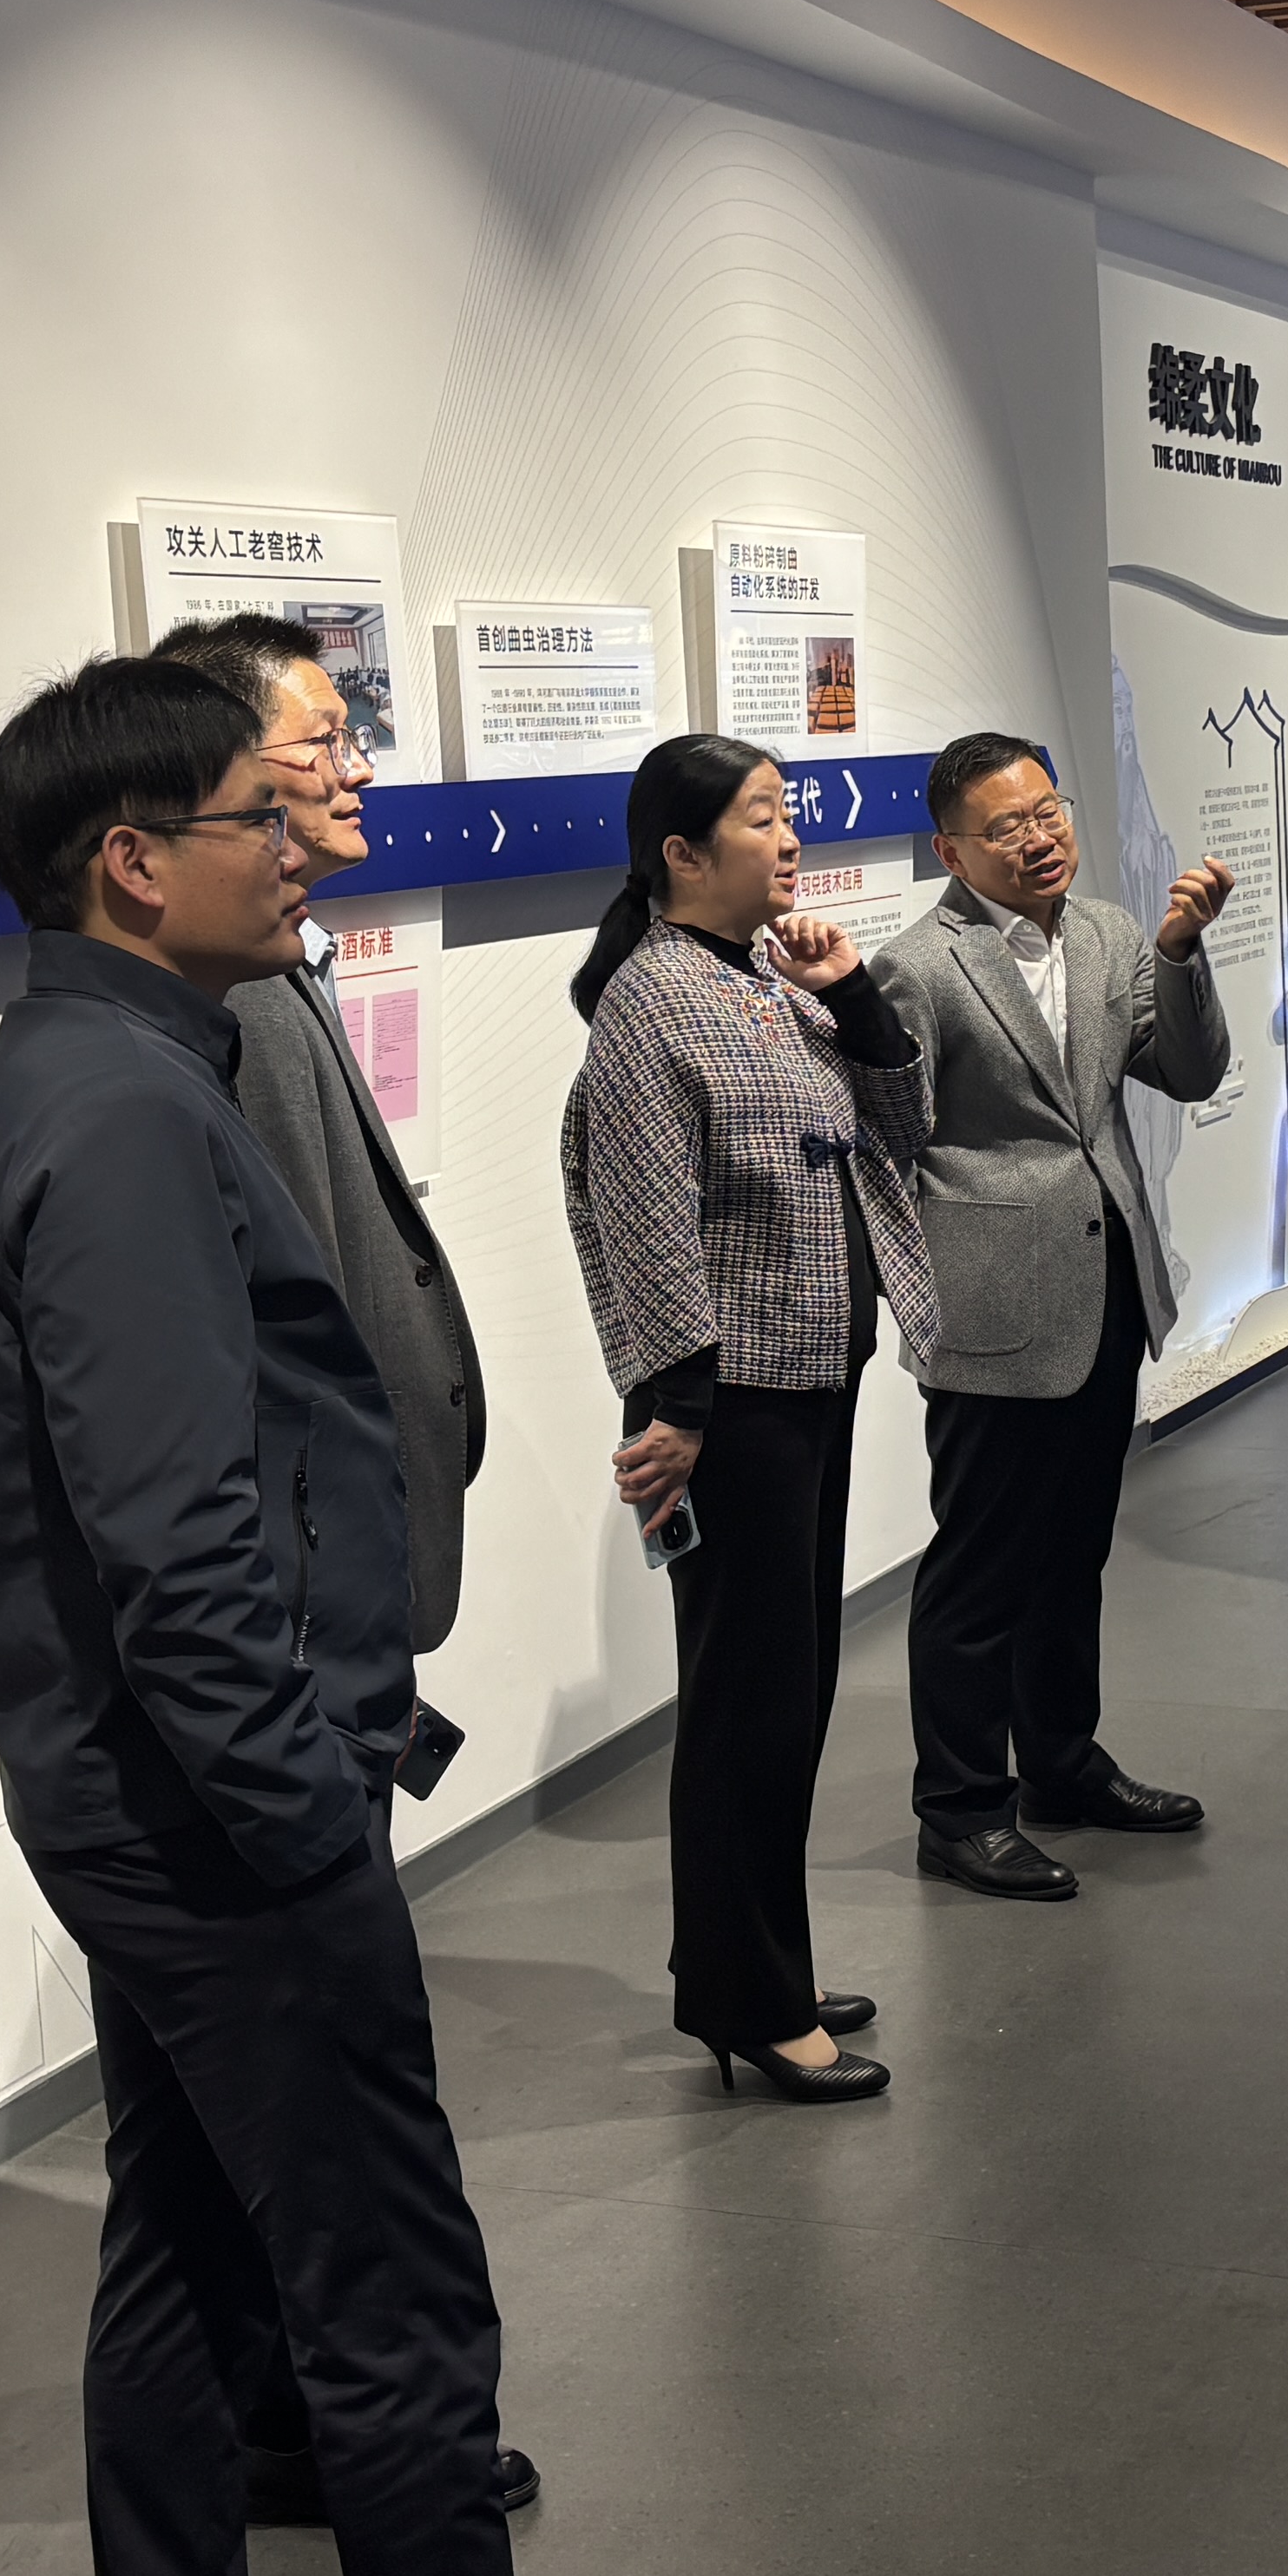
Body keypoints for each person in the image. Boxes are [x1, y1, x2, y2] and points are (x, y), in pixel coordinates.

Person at [0, 659, 778, 2576]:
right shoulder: (119, 1108)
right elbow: (172, 1532)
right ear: (136, 861)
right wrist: (308, 1819)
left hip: (156, 1804)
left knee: (190, 2251)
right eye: (261, 811)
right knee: (390, 2290)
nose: (306, 840)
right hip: (224, 1824)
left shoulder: (98, 1066)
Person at [143, 612, 536, 2534]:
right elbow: (261, 1373)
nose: (355, 767)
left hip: (335, 1641)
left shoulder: (273, 982)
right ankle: (290, 2426)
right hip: (297, 1663)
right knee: (271, 2097)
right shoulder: (200, 1030)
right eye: (317, 742)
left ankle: (293, 2411)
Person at [560, 733, 938, 2097]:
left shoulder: (764, 976)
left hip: (806, 1384)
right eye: (764, 818)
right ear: (682, 852)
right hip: (730, 1414)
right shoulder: (652, 1004)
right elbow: (646, 1221)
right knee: (747, 1707)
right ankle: (750, 1999)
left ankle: (754, 1963)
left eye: (790, 815)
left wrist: (856, 997)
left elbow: (900, 1129)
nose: (791, 839)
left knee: (789, 1694)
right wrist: (679, 1409)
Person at [870, 731, 1232, 1901]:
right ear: (951, 851)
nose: (1039, 839)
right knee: (981, 1568)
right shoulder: (916, 970)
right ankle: (960, 1809)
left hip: (1107, 1283)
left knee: (1074, 1551)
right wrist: (918, 1297)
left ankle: (1061, 1766)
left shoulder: (1113, 936)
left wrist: (1180, 955)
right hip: (989, 1307)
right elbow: (887, 1146)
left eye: (1049, 813)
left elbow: (1190, 1073)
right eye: (1006, 828)